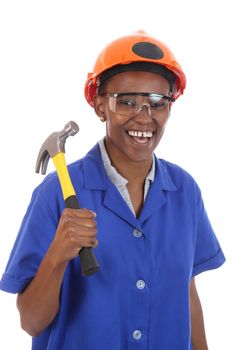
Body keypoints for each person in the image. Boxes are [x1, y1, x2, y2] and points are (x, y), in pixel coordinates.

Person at [0, 30, 226, 350]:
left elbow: (186, 293)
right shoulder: (55, 195)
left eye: (158, 103)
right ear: (100, 105)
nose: (144, 117)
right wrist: (58, 254)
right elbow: (31, 321)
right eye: (127, 101)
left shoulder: (185, 192)